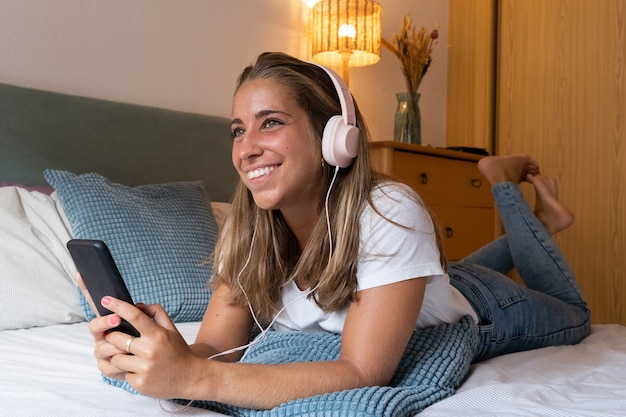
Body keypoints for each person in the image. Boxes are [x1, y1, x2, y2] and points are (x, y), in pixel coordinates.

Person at [80, 52, 591, 410]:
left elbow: (363, 373)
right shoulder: (249, 230)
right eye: (238, 130)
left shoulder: (389, 210)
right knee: (450, 274)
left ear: (335, 139)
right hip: (415, 287)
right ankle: (539, 225)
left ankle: (507, 185)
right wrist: (161, 353)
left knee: (574, 311)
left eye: (270, 122)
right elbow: (213, 348)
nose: (246, 148)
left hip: (488, 308)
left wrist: (199, 378)